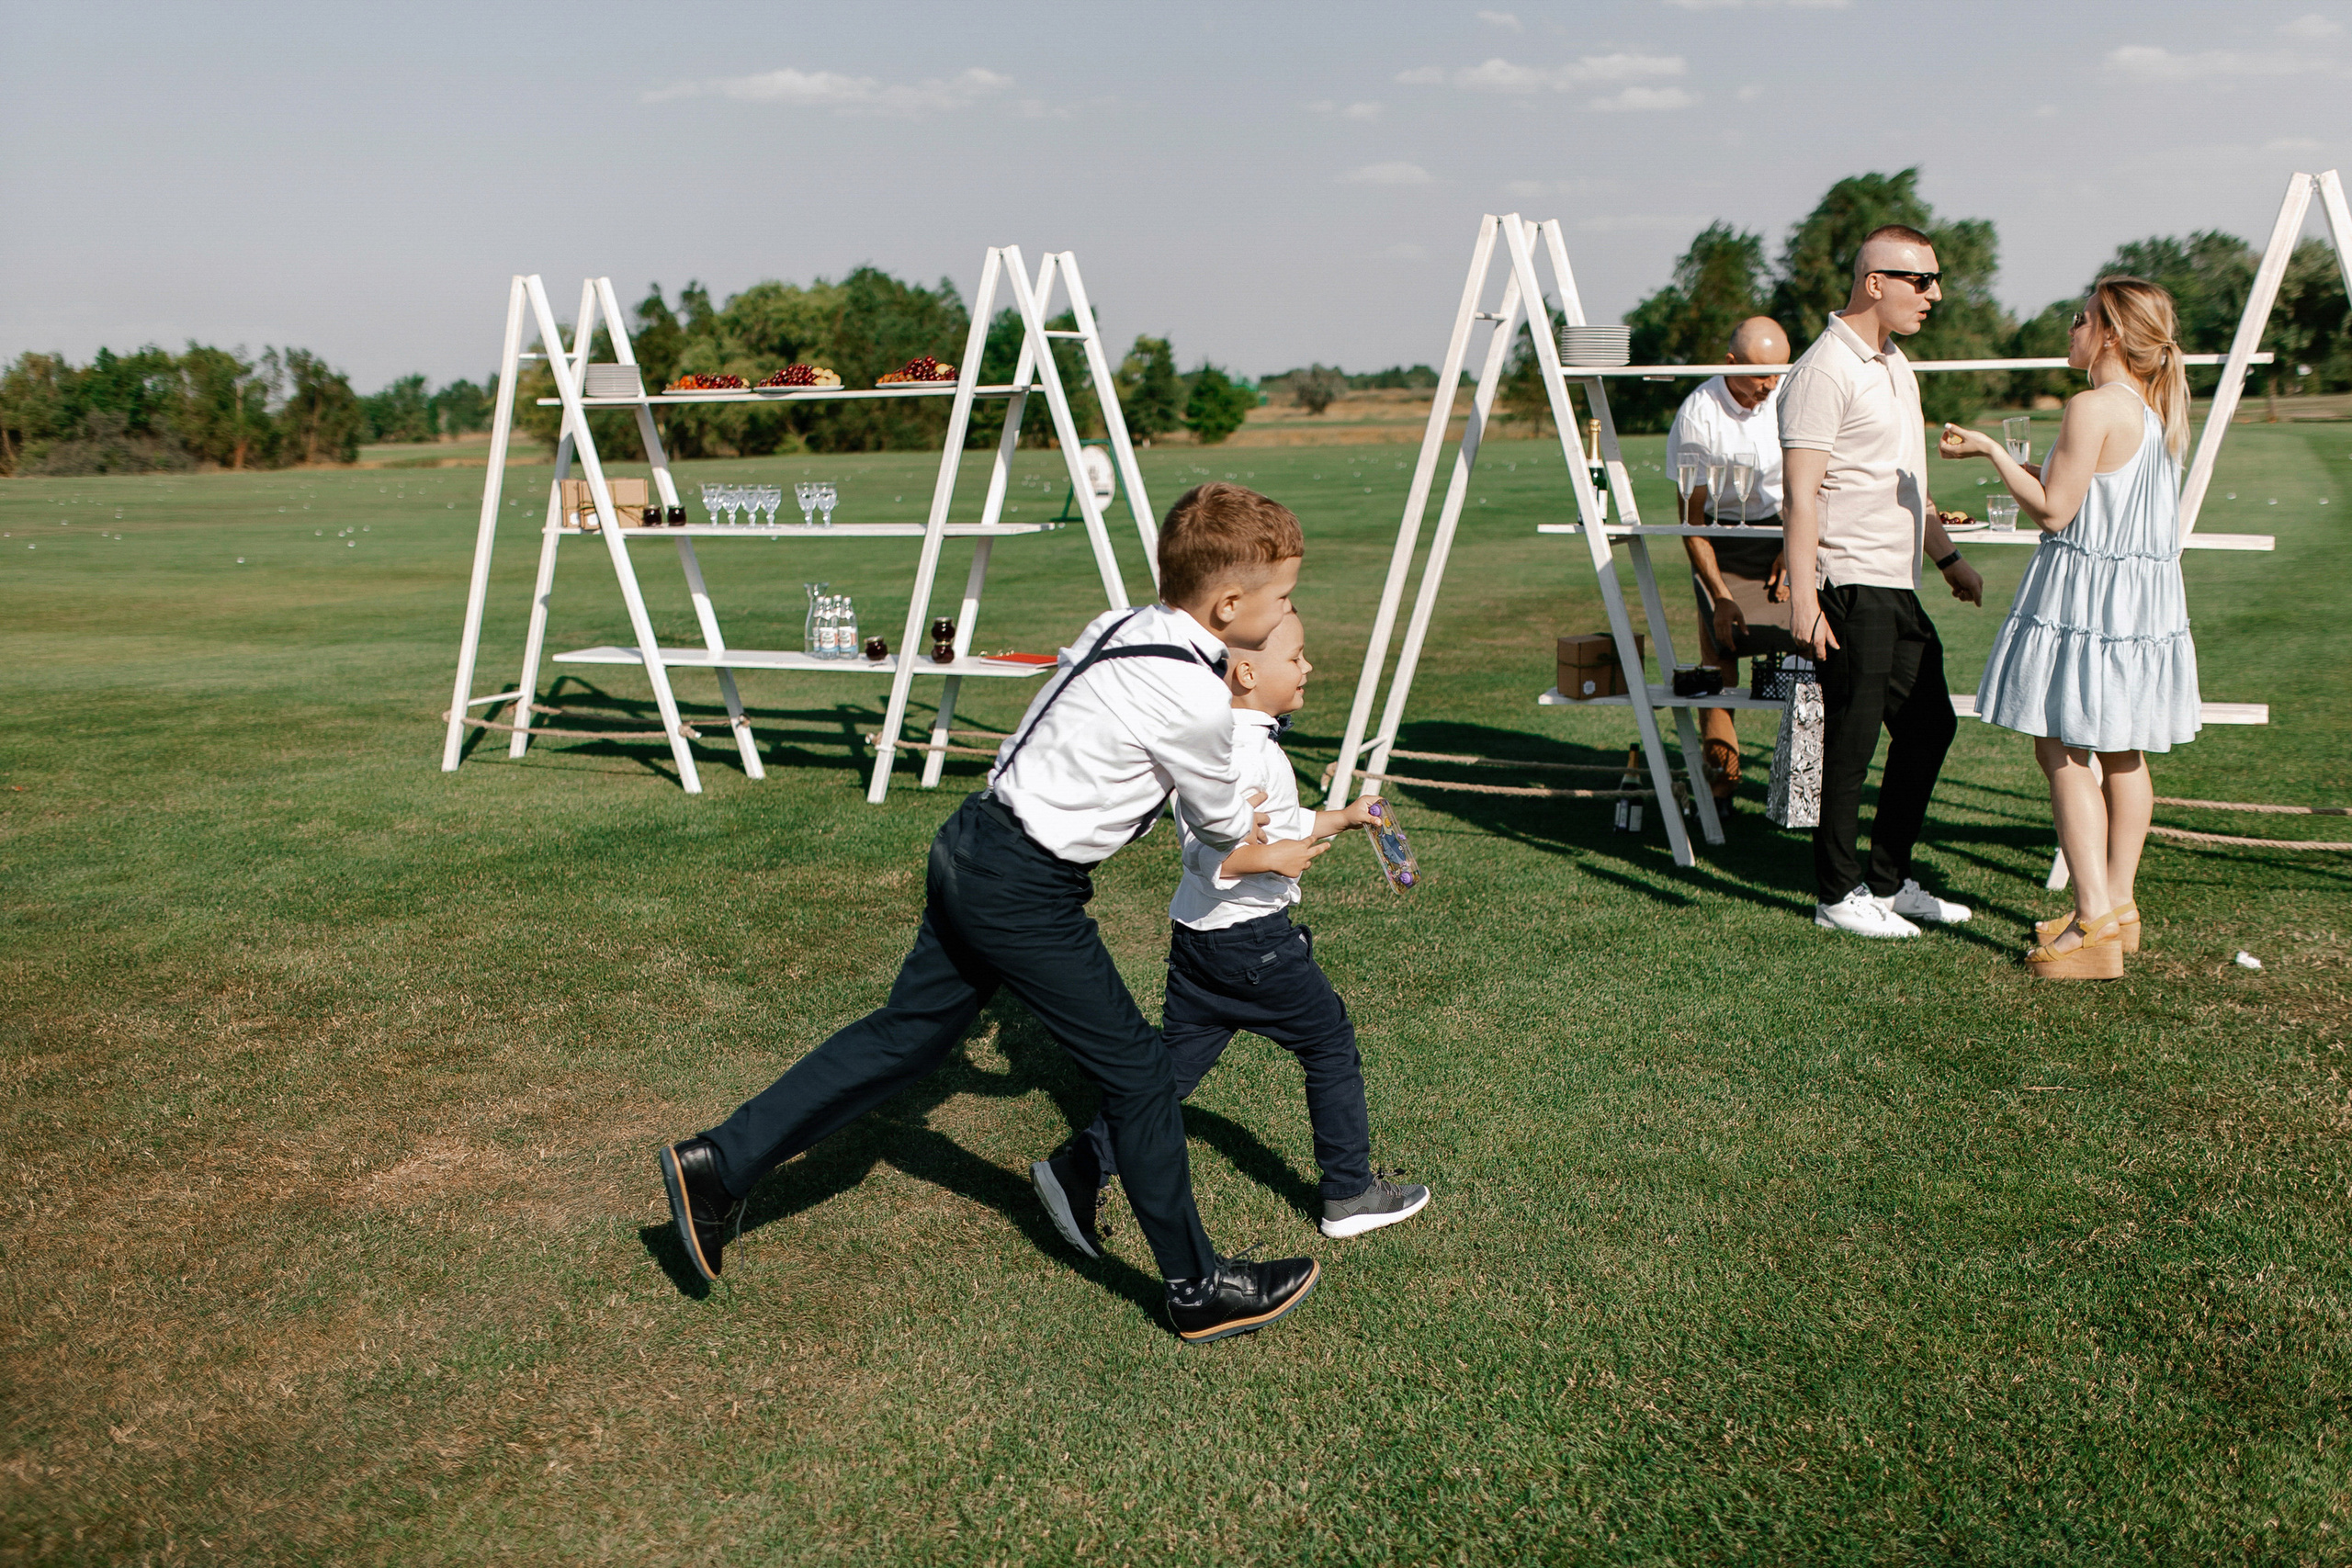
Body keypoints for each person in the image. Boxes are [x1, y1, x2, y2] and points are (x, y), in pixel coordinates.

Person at [658, 483, 1322, 1344]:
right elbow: (1226, 822)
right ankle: (1197, 1289)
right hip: (1025, 885)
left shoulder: (1123, 624)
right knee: (1140, 1073)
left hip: (972, 838)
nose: (1286, 613)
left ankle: (718, 1164)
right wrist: (1241, 736)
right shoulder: (1198, 698)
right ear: (1230, 605)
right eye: (1282, 600)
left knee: (910, 1034)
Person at [1033, 609, 1431, 1252]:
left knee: (1168, 1074)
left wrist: (1345, 817)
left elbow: (1281, 817)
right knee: (1329, 1042)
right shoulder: (1238, 752)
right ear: (1246, 671)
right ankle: (1350, 1193)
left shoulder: (1243, 741)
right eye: (1297, 656)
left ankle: (1079, 1166)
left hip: (1202, 941)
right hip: (1253, 944)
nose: (1308, 667)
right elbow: (1206, 852)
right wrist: (1269, 859)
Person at [1939, 276, 2201, 980]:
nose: (2071, 329)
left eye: (2081, 319)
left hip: (2088, 599)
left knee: (2059, 744)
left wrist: (1993, 455)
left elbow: (2055, 513)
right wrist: (2012, 460)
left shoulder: (2090, 406)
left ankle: (2090, 925)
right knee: (2124, 750)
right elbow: (2082, 495)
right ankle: (2118, 906)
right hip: (2139, 604)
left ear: (2111, 334)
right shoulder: (2151, 410)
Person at [1780, 223, 1986, 938]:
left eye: (1935, 280)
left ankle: (1891, 884)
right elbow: (1799, 495)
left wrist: (1947, 558)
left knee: (1931, 726)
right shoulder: (1822, 370)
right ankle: (1838, 896)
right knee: (1853, 742)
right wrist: (1805, 601)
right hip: (1849, 584)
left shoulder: (1896, 364)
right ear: (1876, 282)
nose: (1934, 295)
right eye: (1920, 280)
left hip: (1897, 586)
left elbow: (1906, 483)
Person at [1665, 316, 1798, 807]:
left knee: (1812, 648)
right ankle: (1722, 781)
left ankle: (1803, 788)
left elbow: (1813, 484)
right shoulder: (1697, 415)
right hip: (1719, 535)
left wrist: (1792, 547)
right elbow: (1690, 521)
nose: (1771, 384)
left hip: (1786, 530)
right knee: (1720, 656)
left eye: (1780, 371)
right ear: (1729, 364)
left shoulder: (1786, 395)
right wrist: (1719, 596)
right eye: (1761, 373)